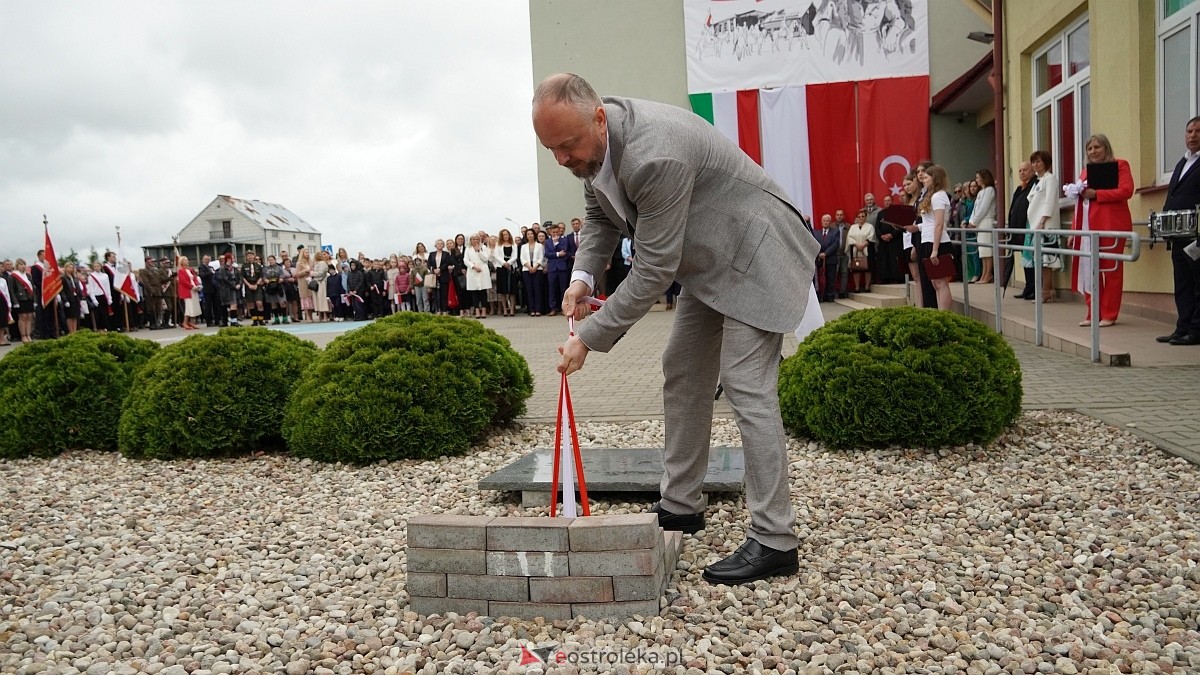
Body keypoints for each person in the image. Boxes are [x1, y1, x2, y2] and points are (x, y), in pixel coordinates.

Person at [534, 73, 819, 585]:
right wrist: (581, 278)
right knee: (683, 370)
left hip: (756, 254)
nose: (562, 159)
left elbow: (654, 268)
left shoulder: (653, 154)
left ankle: (775, 540)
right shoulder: (597, 148)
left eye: (567, 145)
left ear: (598, 118)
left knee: (745, 384)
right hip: (709, 264)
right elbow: (600, 217)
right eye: (551, 149)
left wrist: (590, 339)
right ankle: (681, 505)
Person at [1069, 134, 1134, 327]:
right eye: (1089, 148)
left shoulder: (1120, 165)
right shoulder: (1085, 173)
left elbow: (1126, 191)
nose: (1093, 151)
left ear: (1106, 148)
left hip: (1112, 226)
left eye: (1097, 147)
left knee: (1111, 271)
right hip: (1088, 230)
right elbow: (1080, 206)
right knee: (1090, 270)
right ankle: (1093, 313)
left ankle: (1109, 314)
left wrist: (1098, 194)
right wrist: (1074, 231)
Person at [1157, 116, 1200, 346]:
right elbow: (1172, 194)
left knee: (1197, 284)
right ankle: (1182, 327)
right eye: (1189, 131)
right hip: (1178, 234)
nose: (1192, 135)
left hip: (1197, 236)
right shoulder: (1183, 162)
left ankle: (1196, 329)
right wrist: (1164, 223)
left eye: (1197, 131)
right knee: (1182, 282)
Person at [1025, 150, 1061, 302]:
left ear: (1046, 163)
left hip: (1046, 226)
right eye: (1033, 162)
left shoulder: (1050, 179)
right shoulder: (1038, 181)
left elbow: (1049, 201)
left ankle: (1046, 292)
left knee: (1046, 260)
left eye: (1038, 161)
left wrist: (1042, 221)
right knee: (1040, 260)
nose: (1035, 164)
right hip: (1036, 226)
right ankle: (1047, 291)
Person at [917, 164, 953, 310]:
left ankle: (945, 315)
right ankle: (940, 313)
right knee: (934, 282)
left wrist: (935, 250)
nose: (923, 180)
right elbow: (929, 222)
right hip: (928, 240)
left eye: (926, 177)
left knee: (940, 282)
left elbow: (939, 224)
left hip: (937, 243)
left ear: (935, 178)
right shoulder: (931, 195)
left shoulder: (939, 196)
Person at [1009, 161, 1039, 299]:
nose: (1022, 172)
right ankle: (1028, 287)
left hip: (1029, 228)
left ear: (1032, 171)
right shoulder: (1020, 188)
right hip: (1019, 229)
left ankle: (1035, 288)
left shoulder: (1035, 185)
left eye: (1025, 170)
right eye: (1020, 170)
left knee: (1032, 259)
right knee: (1025, 260)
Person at [969, 169, 997, 284]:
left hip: (986, 221)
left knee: (987, 250)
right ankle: (984, 274)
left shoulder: (990, 190)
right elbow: (976, 209)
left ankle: (988, 274)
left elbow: (984, 208)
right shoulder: (981, 192)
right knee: (982, 250)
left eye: (978, 177)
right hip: (979, 223)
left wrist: (974, 221)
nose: (976, 180)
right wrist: (971, 221)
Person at [845, 208, 875, 293]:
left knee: (868, 268)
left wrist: (863, 244)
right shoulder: (853, 227)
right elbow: (849, 237)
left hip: (867, 249)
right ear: (857, 218)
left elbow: (872, 237)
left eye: (863, 216)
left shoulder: (870, 226)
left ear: (866, 217)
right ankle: (857, 287)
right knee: (856, 269)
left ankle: (867, 286)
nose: (861, 218)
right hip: (855, 250)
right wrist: (857, 244)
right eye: (859, 216)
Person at [464, 234, 492, 319]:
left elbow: (486, 259)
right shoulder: (468, 249)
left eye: (477, 239)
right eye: (473, 239)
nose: (475, 241)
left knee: (483, 292)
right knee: (474, 292)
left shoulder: (484, 247)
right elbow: (465, 260)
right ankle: (477, 310)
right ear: (470, 240)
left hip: (483, 271)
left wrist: (479, 251)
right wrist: (473, 267)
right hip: (473, 271)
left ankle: (483, 310)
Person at [813, 214, 841, 302]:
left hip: (831, 259)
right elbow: (814, 243)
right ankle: (821, 296)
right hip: (819, 259)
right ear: (821, 222)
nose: (825, 222)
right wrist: (819, 253)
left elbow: (835, 244)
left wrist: (825, 253)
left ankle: (830, 296)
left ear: (830, 222)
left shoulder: (835, 231)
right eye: (824, 221)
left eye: (827, 221)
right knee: (820, 280)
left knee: (831, 278)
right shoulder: (816, 232)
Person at [215, 253, 242, 326]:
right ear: (228, 259)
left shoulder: (234, 268)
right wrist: (234, 285)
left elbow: (239, 277)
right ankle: (225, 321)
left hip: (234, 289)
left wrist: (239, 284)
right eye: (232, 258)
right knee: (225, 305)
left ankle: (234, 321)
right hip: (226, 289)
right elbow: (224, 279)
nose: (233, 259)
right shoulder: (223, 269)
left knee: (234, 304)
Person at [176, 256, 201, 330]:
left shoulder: (190, 269)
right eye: (185, 260)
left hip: (194, 289)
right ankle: (185, 322)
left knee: (194, 306)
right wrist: (192, 286)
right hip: (188, 290)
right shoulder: (181, 271)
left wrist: (197, 285)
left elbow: (195, 278)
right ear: (182, 262)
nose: (187, 261)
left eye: (187, 260)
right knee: (189, 307)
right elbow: (183, 281)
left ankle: (192, 322)